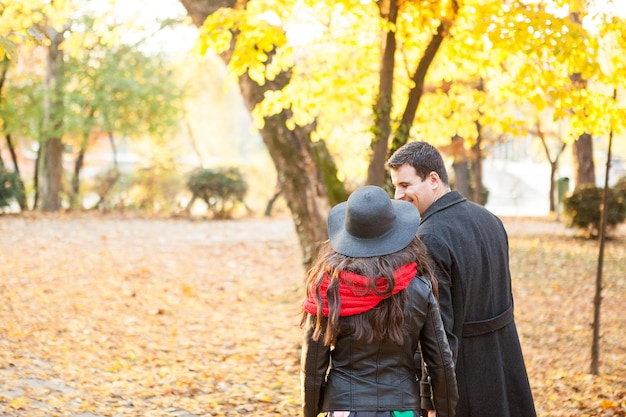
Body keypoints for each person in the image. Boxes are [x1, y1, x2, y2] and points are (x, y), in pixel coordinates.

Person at [386, 141, 536, 417]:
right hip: (504, 362)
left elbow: (437, 330)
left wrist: (430, 400)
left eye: (406, 185)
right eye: (396, 186)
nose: (398, 195)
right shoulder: (489, 219)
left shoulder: (428, 238)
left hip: (466, 375)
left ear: (433, 180)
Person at [300, 185, 458, 417]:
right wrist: (445, 412)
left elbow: (313, 367)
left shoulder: (328, 288)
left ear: (348, 233)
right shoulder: (418, 287)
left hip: (345, 408)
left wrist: (310, 412)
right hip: (402, 408)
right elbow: (441, 362)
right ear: (397, 231)